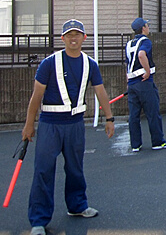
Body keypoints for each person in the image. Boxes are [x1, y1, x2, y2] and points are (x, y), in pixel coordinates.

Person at [22, 19, 115, 235]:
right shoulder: (48, 63)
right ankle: (38, 220)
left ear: (84, 37)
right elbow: (36, 96)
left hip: (75, 124)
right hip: (50, 124)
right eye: (69, 35)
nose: (73, 38)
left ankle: (77, 206)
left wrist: (109, 118)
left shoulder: (90, 63)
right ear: (63, 38)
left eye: (77, 34)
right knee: (43, 170)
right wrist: (29, 125)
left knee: (75, 167)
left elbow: (100, 91)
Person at [126, 18, 166, 151]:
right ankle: (158, 142)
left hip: (132, 82)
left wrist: (128, 82)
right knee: (152, 112)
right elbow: (142, 55)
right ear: (143, 28)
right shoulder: (145, 41)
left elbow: (128, 64)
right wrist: (147, 71)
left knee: (133, 115)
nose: (148, 27)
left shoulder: (129, 43)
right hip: (144, 82)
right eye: (147, 25)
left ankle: (135, 144)